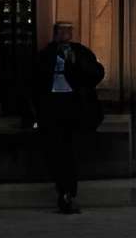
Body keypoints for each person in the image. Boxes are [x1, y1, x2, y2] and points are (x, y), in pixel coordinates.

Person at [25, 18, 105, 213]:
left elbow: (96, 74)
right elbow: (34, 83)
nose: (65, 35)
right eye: (61, 32)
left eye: (68, 31)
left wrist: (75, 63)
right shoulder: (45, 55)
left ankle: (69, 193)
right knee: (57, 152)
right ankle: (64, 192)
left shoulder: (81, 52)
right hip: (52, 107)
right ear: (55, 34)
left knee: (72, 151)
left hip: (75, 106)